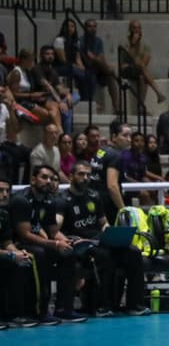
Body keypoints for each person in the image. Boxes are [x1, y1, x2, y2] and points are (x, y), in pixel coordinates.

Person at [55, 161, 149, 316]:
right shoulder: (62, 199)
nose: (85, 178)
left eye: (88, 174)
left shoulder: (94, 196)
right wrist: (65, 240)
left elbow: (103, 223)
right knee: (104, 256)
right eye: (81, 174)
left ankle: (135, 304)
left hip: (99, 240)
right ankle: (102, 306)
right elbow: (55, 229)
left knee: (133, 251)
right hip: (79, 243)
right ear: (71, 176)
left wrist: (111, 233)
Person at [9, 164, 85, 324]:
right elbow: (25, 235)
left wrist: (66, 242)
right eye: (44, 177)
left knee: (69, 254)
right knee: (40, 255)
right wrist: (54, 244)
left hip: (39, 242)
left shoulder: (50, 201)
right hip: (17, 245)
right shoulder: (21, 200)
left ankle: (64, 308)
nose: (48, 181)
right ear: (33, 179)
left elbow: (53, 231)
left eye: (51, 178)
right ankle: (40, 311)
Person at [0, 175, 38, 328]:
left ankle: (15, 314)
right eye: (0, 191)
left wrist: (17, 253)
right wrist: (9, 254)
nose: (4, 195)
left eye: (7, 191)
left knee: (22, 263)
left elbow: (7, 242)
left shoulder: (3, 214)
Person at [7, 49, 62, 130]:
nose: (32, 63)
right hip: (21, 102)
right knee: (48, 115)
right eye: (30, 60)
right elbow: (14, 94)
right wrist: (31, 95)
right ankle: (58, 132)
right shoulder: (17, 73)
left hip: (30, 99)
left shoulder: (27, 72)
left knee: (54, 107)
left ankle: (59, 130)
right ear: (23, 60)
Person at [89, 120, 130, 225]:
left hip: (93, 200)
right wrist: (122, 209)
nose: (129, 139)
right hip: (107, 205)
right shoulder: (116, 156)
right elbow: (112, 186)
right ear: (114, 136)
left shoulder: (101, 150)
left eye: (130, 135)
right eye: (125, 135)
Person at [119, 20, 167, 105]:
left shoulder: (145, 44)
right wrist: (133, 45)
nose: (136, 30)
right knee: (141, 68)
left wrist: (136, 62)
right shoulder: (124, 43)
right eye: (134, 28)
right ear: (130, 29)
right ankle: (158, 92)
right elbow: (122, 64)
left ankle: (140, 106)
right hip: (126, 70)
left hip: (139, 70)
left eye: (138, 28)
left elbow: (144, 63)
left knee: (142, 77)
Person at [80, 20, 120, 115]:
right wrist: (96, 59)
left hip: (98, 68)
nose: (92, 29)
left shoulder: (98, 40)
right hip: (86, 68)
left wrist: (96, 59)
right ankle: (111, 72)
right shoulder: (81, 41)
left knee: (110, 78)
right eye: (90, 26)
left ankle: (117, 107)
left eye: (94, 26)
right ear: (85, 28)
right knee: (109, 71)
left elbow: (101, 57)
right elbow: (87, 58)